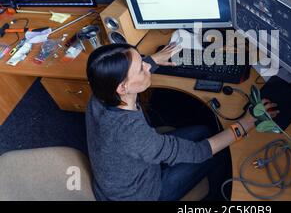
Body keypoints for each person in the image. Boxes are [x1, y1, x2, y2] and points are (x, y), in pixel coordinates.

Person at [85, 43, 278, 201]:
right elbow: (198, 152)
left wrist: (153, 60)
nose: (147, 66)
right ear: (122, 87)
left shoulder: (100, 95)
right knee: (221, 153)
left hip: (127, 170)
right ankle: (218, 195)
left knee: (204, 130)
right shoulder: (131, 133)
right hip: (141, 194)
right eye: (141, 67)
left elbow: (128, 77)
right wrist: (245, 124)